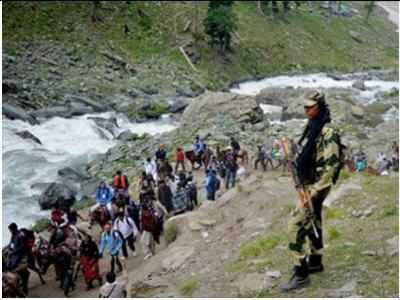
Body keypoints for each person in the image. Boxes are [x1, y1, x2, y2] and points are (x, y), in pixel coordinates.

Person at [281, 90, 341, 292]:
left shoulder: (328, 132)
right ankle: (316, 261)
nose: (306, 110)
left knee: (294, 225)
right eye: (304, 107)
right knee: (314, 219)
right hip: (308, 183)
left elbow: (331, 166)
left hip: (316, 186)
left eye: (310, 107)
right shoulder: (312, 126)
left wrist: (314, 193)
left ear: (320, 106)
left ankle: (301, 274)